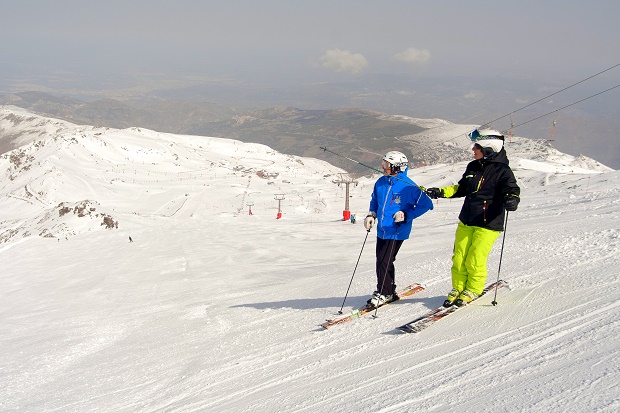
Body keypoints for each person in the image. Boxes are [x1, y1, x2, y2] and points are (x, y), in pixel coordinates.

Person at [424, 128, 520, 307]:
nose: (473, 149)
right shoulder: (473, 167)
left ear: (489, 149)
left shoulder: (503, 171)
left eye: (477, 146)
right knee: (459, 257)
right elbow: (461, 188)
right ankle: (458, 288)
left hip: (488, 223)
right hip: (467, 219)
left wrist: (512, 200)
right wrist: (440, 192)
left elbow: (512, 190)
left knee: (475, 258)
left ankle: (473, 289)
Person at [364, 151, 434, 307]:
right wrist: (372, 214)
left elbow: (427, 204)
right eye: (383, 163)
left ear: (397, 167)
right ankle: (388, 290)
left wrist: (406, 215)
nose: (383, 167)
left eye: (387, 165)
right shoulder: (381, 183)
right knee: (382, 260)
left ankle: (385, 292)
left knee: (384, 261)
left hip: (397, 229)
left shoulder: (409, 186)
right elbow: (375, 200)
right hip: (382, 229)